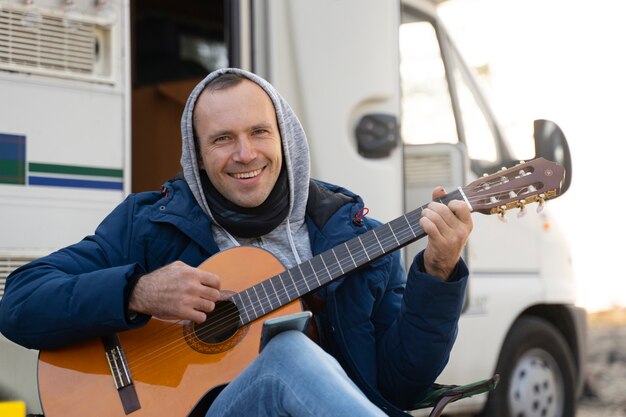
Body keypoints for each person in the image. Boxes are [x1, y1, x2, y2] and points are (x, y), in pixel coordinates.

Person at [0, 68, 473, 417]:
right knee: (286, 352)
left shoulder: (356, 237)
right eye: (222, 139)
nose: (245, 154)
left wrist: (438, 274)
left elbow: (399, 388)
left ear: (285, 139)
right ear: (198, 156)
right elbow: (19, 301)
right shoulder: (149, 225)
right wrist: (135, 292)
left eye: (259, 132)